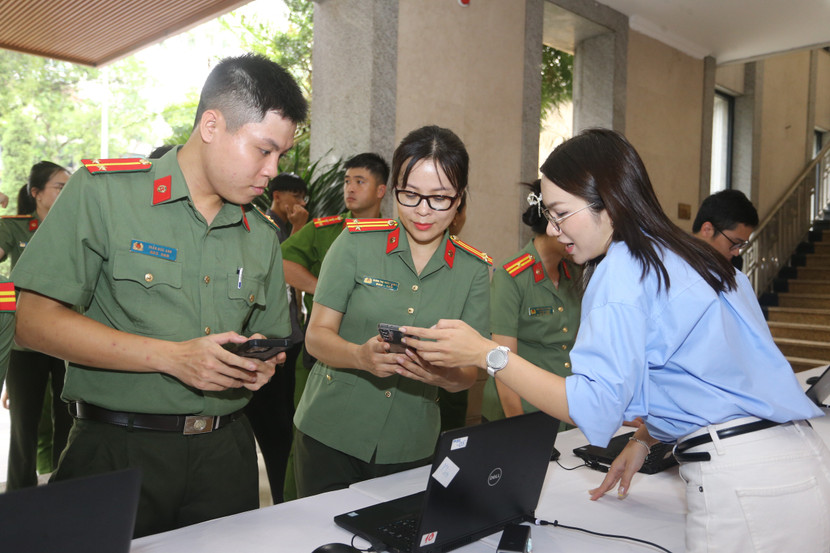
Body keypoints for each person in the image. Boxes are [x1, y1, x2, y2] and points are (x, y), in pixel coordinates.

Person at [401, 128, 829, 553]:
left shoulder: (623, 270)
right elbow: (706, 375)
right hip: (799, 453)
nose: (553, 228)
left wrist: (486, 354)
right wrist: (645, 439)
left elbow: (594, 407)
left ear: (607, 203)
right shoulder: (692, 255)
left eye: (561, 213)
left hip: (745, 479)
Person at [11, 53, 306, 536]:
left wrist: (257, 364)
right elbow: (32, 320)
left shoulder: (259, 233)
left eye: (281, 156)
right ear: (212, 125)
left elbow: (269, 337)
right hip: (116, 450)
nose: (272, 171)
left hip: (225, 456)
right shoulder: (105, 193)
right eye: (263, 150)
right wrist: (171, 357)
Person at [292, 126, 491, 498]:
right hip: (330, 433)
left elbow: (469, 371)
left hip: (411, 443)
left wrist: (440, 376)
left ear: (459, 198)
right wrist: (358, 356)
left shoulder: (473, 270)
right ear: (394, 188)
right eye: (410, 195)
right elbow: (317, 335)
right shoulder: (355, 242)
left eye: (440, 199)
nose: (422, 212)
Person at [481, 179, 580, 429]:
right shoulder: (511, 276)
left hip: (565, 414)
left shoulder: (574, 275)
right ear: (551, 221)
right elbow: (502, 361)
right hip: (521, 414)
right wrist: (520, 430)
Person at [0, 162, 73, 490]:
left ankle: (61, 492)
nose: (66, 192)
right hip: (24, 344)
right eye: (60, 186)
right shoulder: (16, 228)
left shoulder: (75, 228)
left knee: (69, 422)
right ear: (36, 193)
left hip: (67, 341)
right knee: (24, 426)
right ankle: (19, 496)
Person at [244, 172, 308, 504]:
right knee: (275, 426)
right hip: (266, 342)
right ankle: (282, 498)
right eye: (294, 195)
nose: (299, 203)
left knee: (285, 419)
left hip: (291, 338)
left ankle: (284, 494)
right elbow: (278, 267)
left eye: (303, 197)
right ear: (278, 195)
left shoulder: (282, 224)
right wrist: (299, 229)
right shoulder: (262, 224)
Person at [281, 152, 390, 330]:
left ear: (380, 190)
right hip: (324, 330)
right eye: (347, 181)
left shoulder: (395, 236)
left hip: (374, 334)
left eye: (360, 182)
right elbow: (281, 262)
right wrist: (325, 291)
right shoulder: (323, 230)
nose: (350, 188)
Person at [692, 189, 758, 269]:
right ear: (707, 230)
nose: (736, 253)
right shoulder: (675, 265)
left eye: (741, 245)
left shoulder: (734, 265)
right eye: (735, 243)